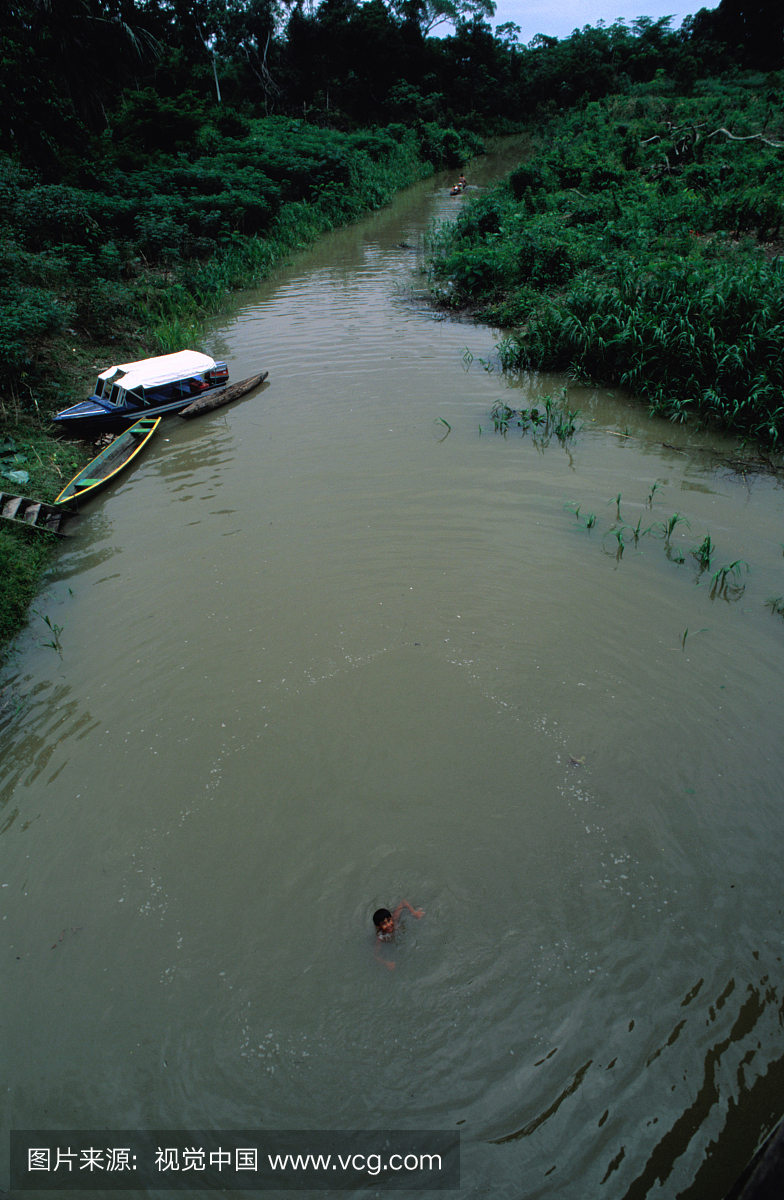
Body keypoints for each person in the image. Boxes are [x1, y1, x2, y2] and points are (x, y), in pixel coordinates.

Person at [373, 900, 424, 970]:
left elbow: (403, 902)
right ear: (379, 927)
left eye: (388, 920)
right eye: (384, 924)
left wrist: (414, 912)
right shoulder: (380, 937)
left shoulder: (395, 918)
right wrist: (386, 963)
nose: (388, 925)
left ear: (391, 918)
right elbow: (375, 955)